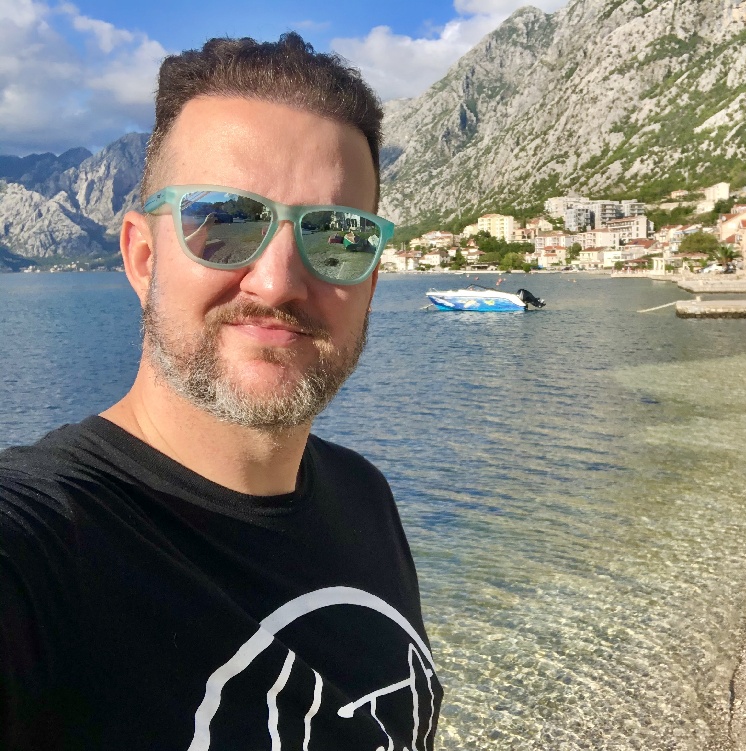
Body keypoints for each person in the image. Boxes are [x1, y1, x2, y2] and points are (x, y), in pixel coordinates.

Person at [0, 34, 442, 750]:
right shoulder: (44, 550)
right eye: (225, 223)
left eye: (337, 235)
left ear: (370, 279)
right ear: (143, 257)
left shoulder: (365, 497)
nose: (278, 282)